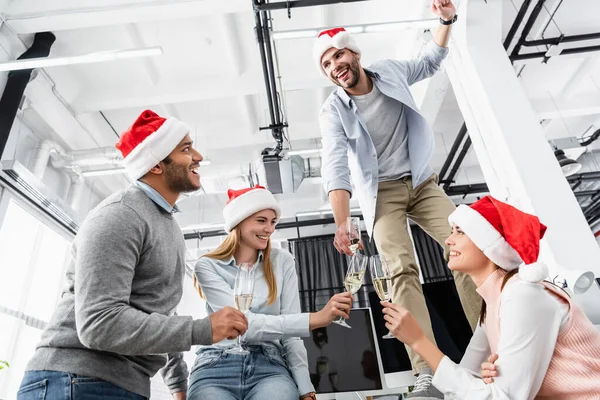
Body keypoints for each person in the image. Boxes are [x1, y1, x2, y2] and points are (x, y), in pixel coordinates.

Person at [17, 110, 248, 400]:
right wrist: (202, 330)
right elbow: (99, 323)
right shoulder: (121, 215)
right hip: (76, 380)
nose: (198, 156)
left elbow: (158, 310)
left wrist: (178, 384)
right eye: (186, 149)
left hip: (120, 384)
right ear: (156, 165)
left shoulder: (167, 226)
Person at [314, 0, 481, 397]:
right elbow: (335, 165)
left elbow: (430, 61)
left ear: (354, 53)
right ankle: (427, 370)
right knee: (399, 269)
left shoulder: (389, 70)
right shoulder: (333, 109)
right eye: (326, 65)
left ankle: (489, 345)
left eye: (338, 55)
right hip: (382, 196)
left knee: (469, 247)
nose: (335, 65)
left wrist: (445, 20)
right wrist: (342, 221)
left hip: (422, 183)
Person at [382, 196, 600, 399]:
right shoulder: (494, 302)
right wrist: (482, 380)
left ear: (487, 243)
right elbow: (463, 379)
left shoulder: (523, 295)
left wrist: (419, 341)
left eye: (459, 231)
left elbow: (502, 397)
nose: (448, 240)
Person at [190, 185, 354, 400]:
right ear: (239, 221)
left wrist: (305, 387)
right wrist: (315, 319)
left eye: (273, 222)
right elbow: (242, 325)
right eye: (261, 220)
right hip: (215, 364)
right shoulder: (208, 265)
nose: (269, 229)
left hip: (269, 365)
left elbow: (291, 336)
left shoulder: (282, 261)